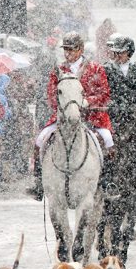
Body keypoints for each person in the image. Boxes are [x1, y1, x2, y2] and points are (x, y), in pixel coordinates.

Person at [28, 32, 114, 200]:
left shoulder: (95, 68)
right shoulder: (59, 70)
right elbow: (52, 95)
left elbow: (104, 93)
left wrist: (87, 102)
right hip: (64, 118)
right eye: (65, 49)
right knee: (40, 140)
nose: (67, 53)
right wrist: (66, 107)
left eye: (71, 50)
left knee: (108, 140)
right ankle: (38, 182)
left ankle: (107, 182)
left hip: (91, 117)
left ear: (80, 49)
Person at [101, 35, 136, 261]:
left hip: (135, 121)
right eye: (115, 52)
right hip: (114, 120)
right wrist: (117, 108)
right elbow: (106, 95)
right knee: (107, 145)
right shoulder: (107, 70)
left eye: (121, 52)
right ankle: (107, 179)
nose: (117, 55)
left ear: (129, 52)